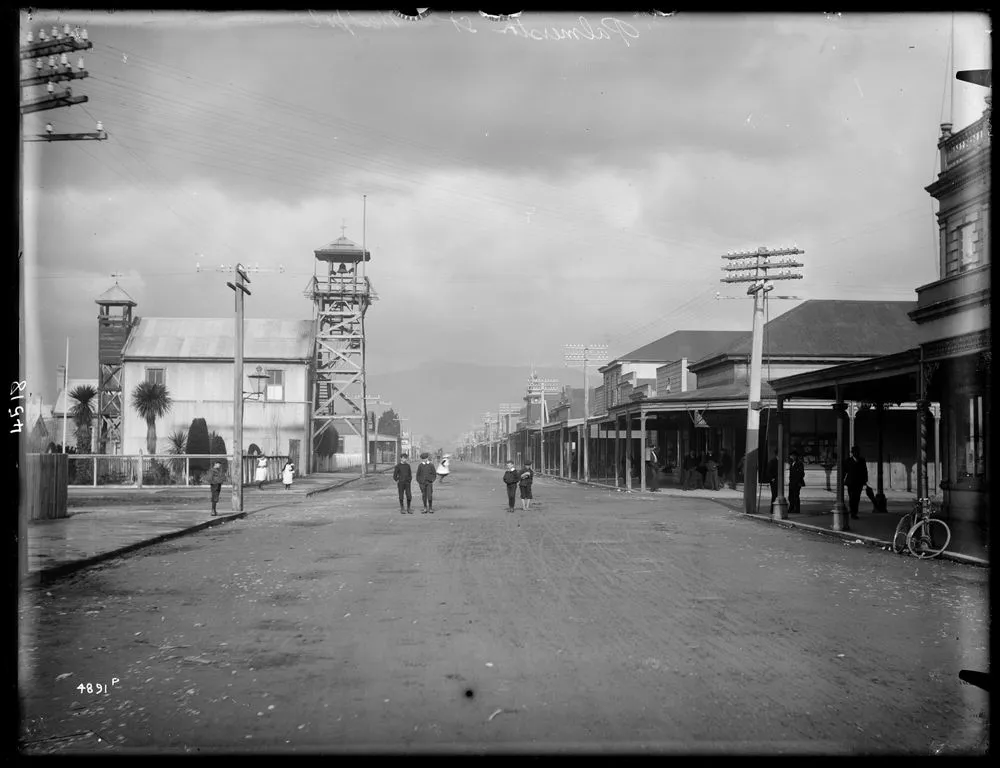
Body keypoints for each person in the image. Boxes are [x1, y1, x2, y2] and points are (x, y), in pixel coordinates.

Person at [843, 445, 868, 520]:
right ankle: (852, 512)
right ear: (852, 453)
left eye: (858, 452)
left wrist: (865, 480)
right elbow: (844, 470)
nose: (856, 453)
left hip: (859, 482)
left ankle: (855, 512)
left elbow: (865, 471)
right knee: (851, 497)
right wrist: (842, 479)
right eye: (855, 452)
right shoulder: (848, 460)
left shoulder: (862, 460)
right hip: (850, 482)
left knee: (857, 498)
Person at [788, 449, 805, 514]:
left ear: (795, 456)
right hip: (791, 482)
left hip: (797, 483)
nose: (790, 457)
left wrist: (797, 481)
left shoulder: (799, 463)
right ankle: (791, 508)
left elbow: (801, 473)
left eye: (791, 456)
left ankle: (797, 509)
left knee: (796, 496)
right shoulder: (792, 463)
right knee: (790, 496)